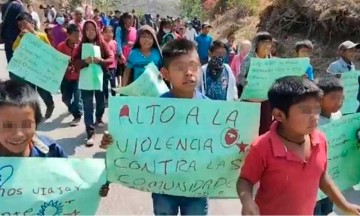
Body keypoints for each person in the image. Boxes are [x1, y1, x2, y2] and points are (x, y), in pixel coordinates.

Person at [100, 39, 208, 215]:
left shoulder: (213, 112)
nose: (188, 73)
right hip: (162, 185)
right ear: (165, 73)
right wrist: (113, 140)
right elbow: (133, 139)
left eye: (193, 65)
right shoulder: (153, 109)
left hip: (197, 186)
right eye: (180, 68)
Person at [237, 76, 360, 215]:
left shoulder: (320, 140)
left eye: (317, 109)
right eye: (305, 110)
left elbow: (322, 175)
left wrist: (344, 205)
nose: (315, 117)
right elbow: (245, 180)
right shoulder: (262, 147)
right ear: (279, 115)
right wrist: (247, 201)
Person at [0, 80, 67, 158]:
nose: (18, 134)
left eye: (26, 124)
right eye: (8, 125)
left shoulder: (52, 151)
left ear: (36, 122)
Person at [73, 20, 113, 146]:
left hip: (100, 79)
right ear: (84, 31)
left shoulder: (101, 43)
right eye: (87, 29)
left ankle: (99, 117)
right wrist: (84, 61)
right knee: (87, 106)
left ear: (96, 30)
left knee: (100, 102)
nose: (90, 31)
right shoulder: (81, 45)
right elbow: (74, 62)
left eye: (92, 29)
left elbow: (111, 58)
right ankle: (90, 132)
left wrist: (101, 60)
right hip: (85, 81)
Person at [13, 12, 55, 119]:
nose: (22, 27)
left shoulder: (41, 36)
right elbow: (14, 49)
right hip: (28, 70)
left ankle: (50, 104)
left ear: (32, 23)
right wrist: (20, 38)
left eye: (24, 24)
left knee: (43, 91)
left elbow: (49, 50)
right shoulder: (20, 37)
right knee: (30, 93)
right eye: (19, 26)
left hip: (41, 70)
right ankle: (36, 114)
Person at [313, 75, 344, 215]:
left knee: (328, 209)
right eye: (333, 98)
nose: (339, 102)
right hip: (313, 179)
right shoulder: (311, 121)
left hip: (332, 174)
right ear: (320, 98)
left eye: (341, 98)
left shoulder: (338, 116)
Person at [238, 32, 273, 135]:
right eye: (263, 43)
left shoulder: (271, 60)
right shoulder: (249, 59)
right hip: (250, 100)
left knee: (265, 127)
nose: (267, 46)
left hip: (266, 100)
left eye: (269, 43)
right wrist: (245, 82)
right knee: (249, 129)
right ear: (256, 45)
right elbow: (240, 76)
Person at [56, 24, 83, 127]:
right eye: (75, 35)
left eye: (79, 35)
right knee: (65, 98)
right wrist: (63, 67)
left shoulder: (81, 47)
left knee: (77, 98)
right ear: (68, 35)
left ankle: (77, 116)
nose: (78, 38)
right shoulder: (61, 47)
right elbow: (57, 62)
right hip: (65, 77)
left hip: (78, 77)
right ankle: (72, 110)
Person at [102, 26, 117, 100]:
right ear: (103, 33)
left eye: (110, 32)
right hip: (104, 66)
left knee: (113, 83)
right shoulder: (101, 43)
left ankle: (114, 98)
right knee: (104, 84)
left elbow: (116, 54)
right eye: (106, 32)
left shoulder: (114, 43)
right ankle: (106, 98)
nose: (108, 34)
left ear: (113, 34)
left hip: (112, 67)